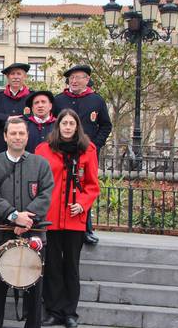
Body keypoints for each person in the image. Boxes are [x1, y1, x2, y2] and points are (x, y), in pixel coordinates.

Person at [0, 117, 54, 328]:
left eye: (21, 133)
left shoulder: (40, 164)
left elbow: (46, 194)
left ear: (27, 136)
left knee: (34, 291)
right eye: (13, 133)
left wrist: (27, 218)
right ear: (5, 136)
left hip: (33, 233)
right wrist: (14, 216)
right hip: (1, 235)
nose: (17, 137)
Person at [35, 109, 100, 328]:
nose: (68, 127)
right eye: (64, 123)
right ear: (58, 125)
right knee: (52, 264)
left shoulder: (88, 150)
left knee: (71, 265)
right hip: (51, 217)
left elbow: (92, 185)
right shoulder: (43, 150)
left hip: (75, 218)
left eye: (72, 123)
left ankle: (70, 312)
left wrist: (82, 203)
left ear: (77, 126)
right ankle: (53, 310)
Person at [53, 65, 111, 245]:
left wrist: (95, 144)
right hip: (62, 153)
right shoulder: (59, 100)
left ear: (87, 80)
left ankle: (87, 229)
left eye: (79, 77)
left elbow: (106, 125)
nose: (74, 81)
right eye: (71, 78)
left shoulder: (96, 100)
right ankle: (60, 225)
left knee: (84, 188)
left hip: (85, 154)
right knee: (63, 189)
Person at [0, 63, 32, 154]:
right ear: (7, 77)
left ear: (25, 76)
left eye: (19, 74)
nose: (15, 77)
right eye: (12, 74)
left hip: (25, 147)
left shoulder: (32, 97)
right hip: (1, 147)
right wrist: (7, 118)